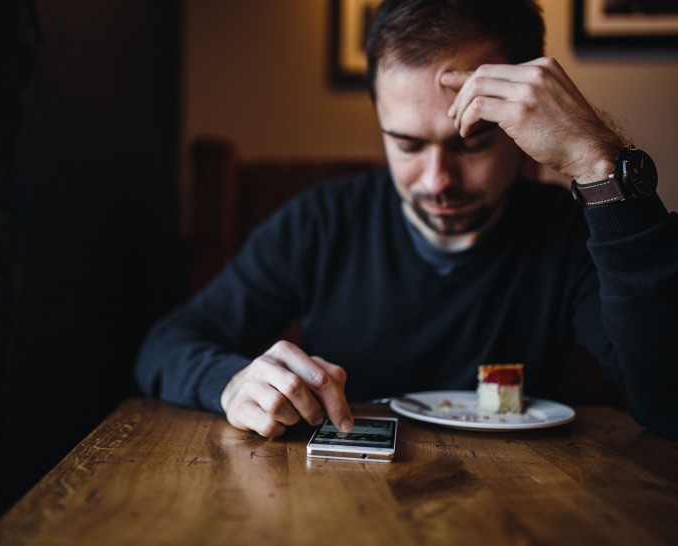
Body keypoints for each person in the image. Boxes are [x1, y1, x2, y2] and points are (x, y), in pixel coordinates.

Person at [135, 0, 678, 439]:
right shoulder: (321, 223)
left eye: (471, 142)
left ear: (521, 128)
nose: (437, 180)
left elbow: (668, 405)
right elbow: (167, 343)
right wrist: (230, 383)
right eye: (407, 144)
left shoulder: (570, 233)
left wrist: (598, 161)